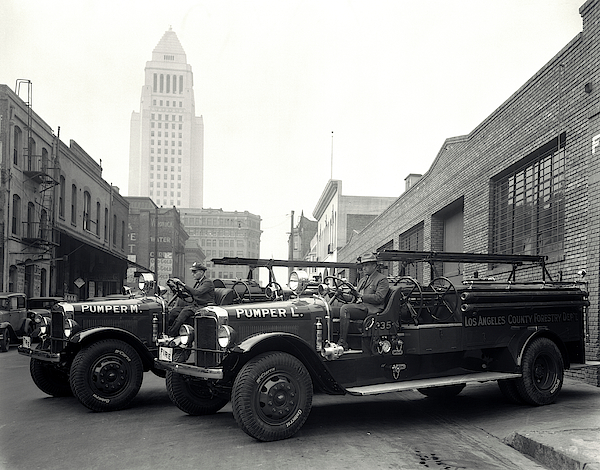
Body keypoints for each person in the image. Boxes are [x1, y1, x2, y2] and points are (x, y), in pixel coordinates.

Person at [338, 252, 389, 350]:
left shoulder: (382, 279)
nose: (364, 268)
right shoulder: (362, 280)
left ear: (374, 265)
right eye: (363, 265)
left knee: (345, 309)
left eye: (366, 265)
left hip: (371, 309)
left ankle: (342, 342)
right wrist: (341, 295)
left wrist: (361, 296)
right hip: (360, 307)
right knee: (331, 310)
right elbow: (355, 298)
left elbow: (379, 298)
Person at [167, 262, 215, 336]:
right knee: (174, 311)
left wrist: (182, 284)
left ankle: (171, 334)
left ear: (201, 272)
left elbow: (197, 292)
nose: (193, 274)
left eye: (194, 272)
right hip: (196, 305)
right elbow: (191, 293)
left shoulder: (207, 282)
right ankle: (166, 331)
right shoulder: (198, 282)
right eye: (192, 272)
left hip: (204, 307)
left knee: (184, 312)